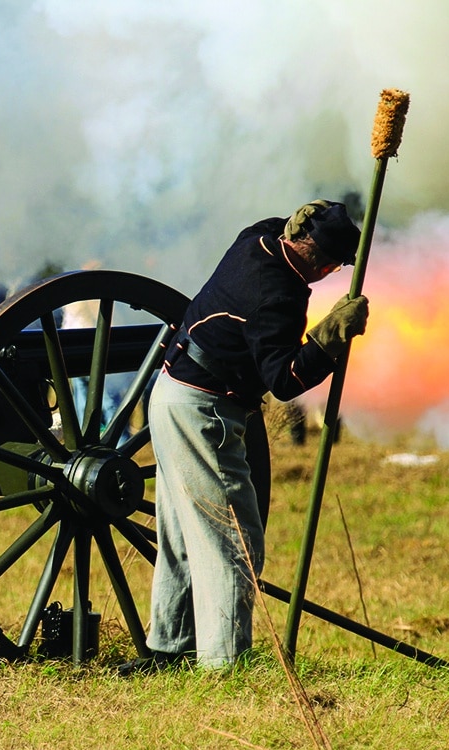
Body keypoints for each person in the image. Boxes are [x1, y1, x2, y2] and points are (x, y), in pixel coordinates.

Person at [125, 200, 368, 673]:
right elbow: (283, 380)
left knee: (182, 533)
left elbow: (274, 223)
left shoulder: (256, 238)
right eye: (336, 266)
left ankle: (170, 647)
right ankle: (226, 664)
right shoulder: (277, 293)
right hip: (203, 410)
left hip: (173, 395)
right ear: (323, 265)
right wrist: (328, 339)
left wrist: (302, 215)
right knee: (234, 538)